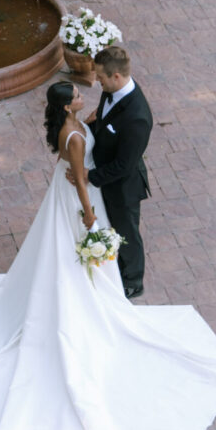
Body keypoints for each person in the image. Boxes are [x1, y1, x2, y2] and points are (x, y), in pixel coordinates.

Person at [0, 79, 216, 430]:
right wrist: (89, 216)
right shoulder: (72, 137)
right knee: (73, 256)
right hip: (77, 200)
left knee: (59, 256)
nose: (82, 95)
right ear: (66, 106)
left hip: (67, 188)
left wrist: (89, 122)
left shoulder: (73, 125)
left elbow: (80, 136)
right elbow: (79, 176)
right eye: (75, 96)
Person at [74, 43, 152, 298]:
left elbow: (124, 165)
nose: (97, 82)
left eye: (101, 77)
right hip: (107, 175)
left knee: (127, 233)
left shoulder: (137, 117)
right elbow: (105, 119)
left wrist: (89, 176)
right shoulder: (112, 91)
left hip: (123, 187)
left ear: (116, 76)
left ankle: (133, 281)